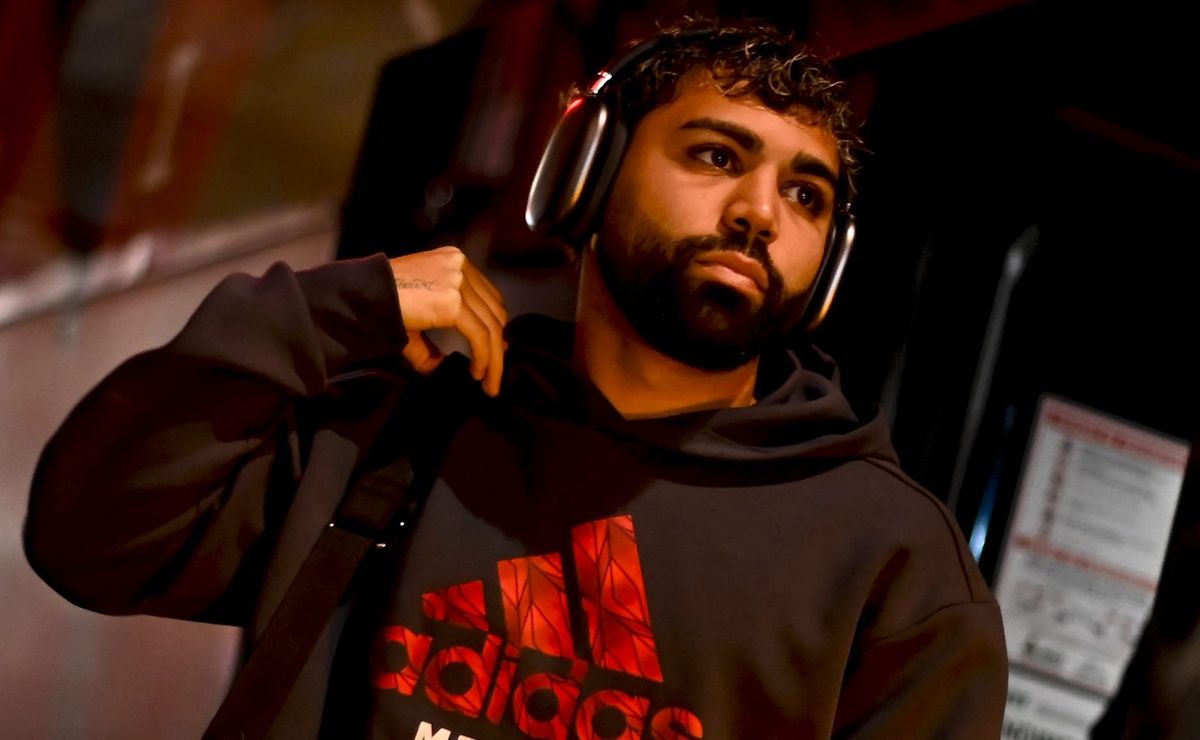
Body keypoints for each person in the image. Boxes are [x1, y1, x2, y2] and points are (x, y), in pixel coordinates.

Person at [24, 18, 1007, 739]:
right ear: (587, 172)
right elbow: (90, 536)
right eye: (716, 156)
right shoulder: (402, 436)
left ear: (829, 264)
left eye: (805, 193)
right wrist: (329, 313)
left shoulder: (892, 568)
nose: (760, 212)